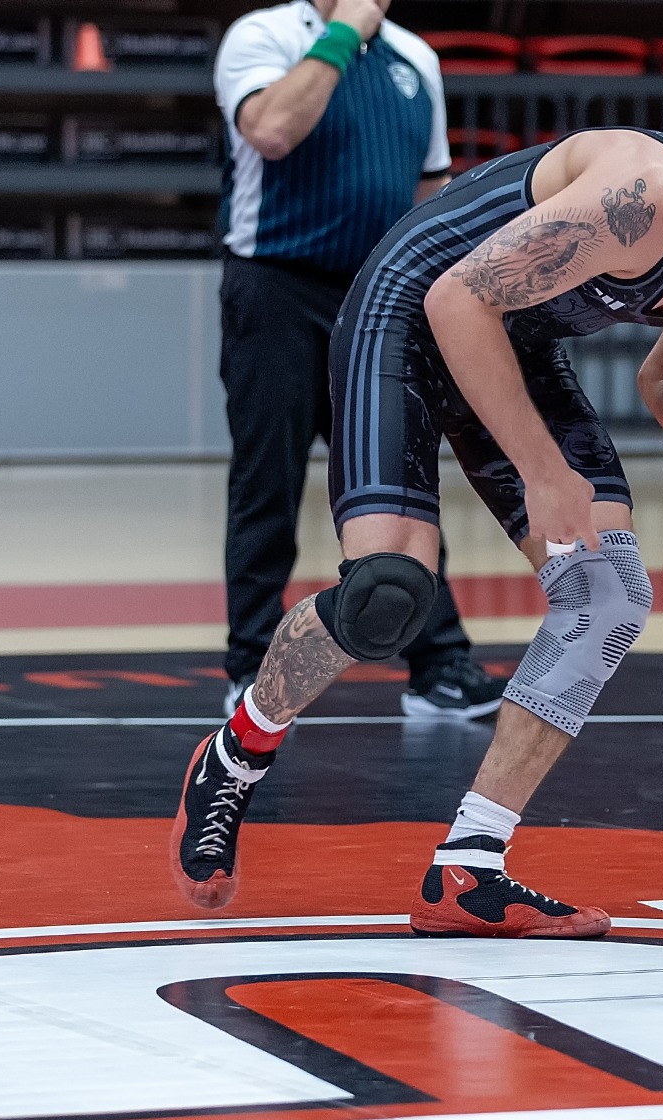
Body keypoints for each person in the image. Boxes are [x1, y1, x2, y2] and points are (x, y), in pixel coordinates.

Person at [170, 93, 663, 937]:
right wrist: (540, 469)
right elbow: (456, 300)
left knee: (608, 596)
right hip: (408, 316)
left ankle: (470, 866)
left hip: (510, 343)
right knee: (386, 596)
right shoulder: (650, 193)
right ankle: (236, 753)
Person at [214, 0, 503, 718]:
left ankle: (439, 664)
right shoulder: (266, 35)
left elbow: (431, 190)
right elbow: (273, 131)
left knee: (400, 478)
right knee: (267, 481)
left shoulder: (416, 58)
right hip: (276, 288)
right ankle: (251, 666)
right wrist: (348, 31)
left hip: (378, 297)